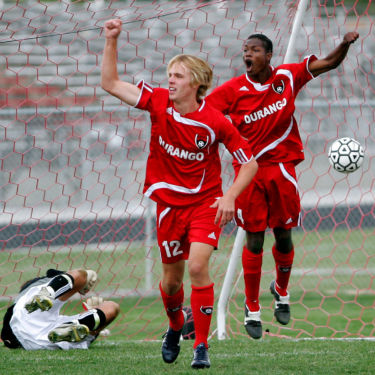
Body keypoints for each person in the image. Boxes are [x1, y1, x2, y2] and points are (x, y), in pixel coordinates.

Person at [101, 19, 258, 369]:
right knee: (171, 282)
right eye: (170, 74)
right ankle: (174, 326)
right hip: (169, 208)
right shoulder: (158, 103)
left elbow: (249, 164)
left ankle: (201, 346)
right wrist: (111, 40)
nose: (170, 80)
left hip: (205, 204)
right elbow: (109, 83)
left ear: (196, 83)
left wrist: (230, 196)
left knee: (198, 267)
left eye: (178, 75)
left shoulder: (216, 121)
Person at [206, 31, 359, 339]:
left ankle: (281, 290)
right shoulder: (231, 90)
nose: (247, 55)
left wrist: (343, 43)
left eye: (254, 50)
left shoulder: (288, 77)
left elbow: (329, 62)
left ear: (269, 55)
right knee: (254, 240)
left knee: (284, 236)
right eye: (245, 50)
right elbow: (203, 115)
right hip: (248, 172)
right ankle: (252, 307)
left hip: (282, 169)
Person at [1, 268, 120, 350]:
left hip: (25, 337)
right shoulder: (37, 284)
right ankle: (86, 321)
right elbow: (57, 273)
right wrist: (88, 276)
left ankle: (49, 295)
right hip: (52, 342)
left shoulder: (24, 303)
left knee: (82, 276)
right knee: (113, 307)